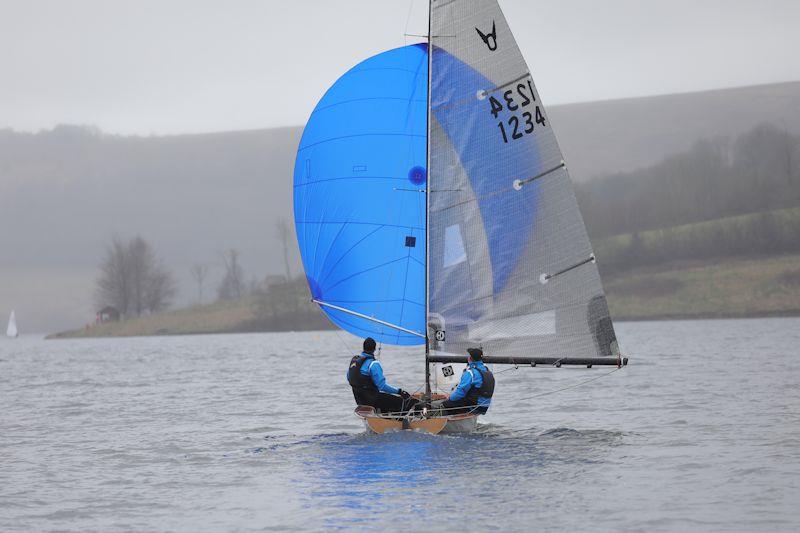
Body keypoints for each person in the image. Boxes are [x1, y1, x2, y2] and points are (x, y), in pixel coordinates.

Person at [347, 337, 416, 415]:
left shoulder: (354, 363)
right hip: (373, 400)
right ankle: (401, 423)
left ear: (363, 347)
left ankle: (383, 416)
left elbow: (349, 378)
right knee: (405, 402)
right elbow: (382, 387)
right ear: (374, 349)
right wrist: (399, 391)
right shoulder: (373, 364)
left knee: (386, 400)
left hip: (361, 401)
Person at [438, 347, 494, 415]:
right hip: (484, 407)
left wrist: (449, 398)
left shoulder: (471, 373)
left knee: (444, 404)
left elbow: (460, 392)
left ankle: (444, 423)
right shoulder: (487, 370)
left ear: (470, 358)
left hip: (473, 407)